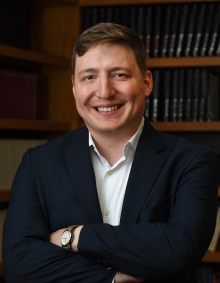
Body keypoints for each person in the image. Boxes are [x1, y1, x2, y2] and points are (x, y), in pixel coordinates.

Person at [2, 22, 218, 283]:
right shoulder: (39, 163)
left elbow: (179, 250)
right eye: (89, 77)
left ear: (147, 83)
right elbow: (19, 264)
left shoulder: (192, 161)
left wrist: (74, 237)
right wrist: (112, 278)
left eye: (119, 75)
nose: (104, 92)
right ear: (74, 87)